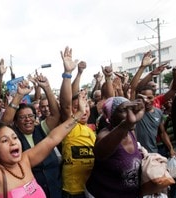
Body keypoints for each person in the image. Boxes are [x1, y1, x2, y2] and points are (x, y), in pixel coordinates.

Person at [1, 75, 62, 198]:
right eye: (22, 117)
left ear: (35, 118)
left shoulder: (43, 129)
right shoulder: (14, 137)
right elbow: (4, 124)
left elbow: (56, 114)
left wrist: (47, 88)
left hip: (55, 190)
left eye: (30, 116)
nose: (27, 120)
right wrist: (19, 95)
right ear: (16, 122)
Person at [85, 97, 144, 197]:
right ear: (111, 116)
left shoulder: (131, 132)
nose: (130, 114)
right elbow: (100, 154)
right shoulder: (104, 135)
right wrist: (126, 124)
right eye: (124, 110)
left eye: (131, 109)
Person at [59, 46, 98, 197]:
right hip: (73, 192)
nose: (84, 110)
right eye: (78, 108)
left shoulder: (91, 131)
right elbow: (66, 103)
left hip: (92, 189)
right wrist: (68, 74)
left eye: (86, 106)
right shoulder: (69, 126)